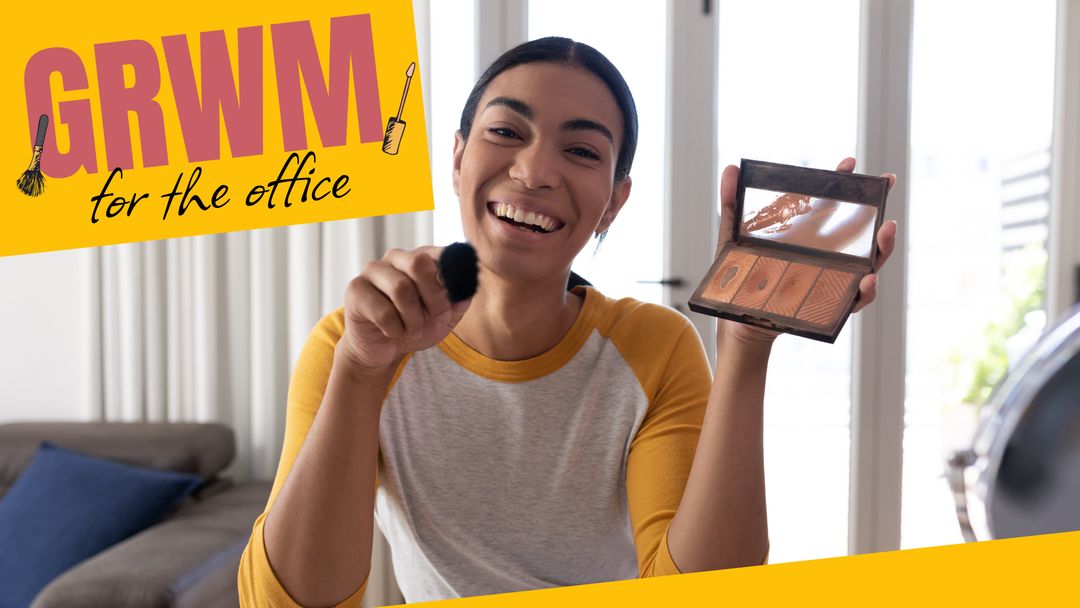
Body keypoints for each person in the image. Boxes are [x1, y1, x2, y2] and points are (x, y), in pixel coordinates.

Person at [237, 37, 897, 607]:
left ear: (614, 202)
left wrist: (746, 348)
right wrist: (358, 371)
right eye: (506, 132)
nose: (535, 171)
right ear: (459, 157)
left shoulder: (653, 346)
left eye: (581, 151)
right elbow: (286, 599)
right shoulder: (354, 344)